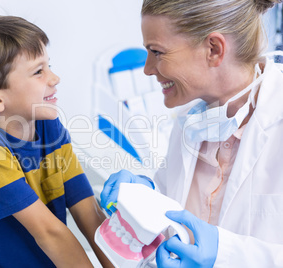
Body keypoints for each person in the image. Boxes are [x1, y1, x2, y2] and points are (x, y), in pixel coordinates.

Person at [100, 0, 283, 267]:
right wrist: (148, 198)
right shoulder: (193, 124)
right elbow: (172, 219)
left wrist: (225, 255)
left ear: (213, 49)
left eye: (157, 52)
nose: (148, 68)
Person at [0, 15, 112, 268]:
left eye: (49, 66)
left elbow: (89, 212)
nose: (54, 78)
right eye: (38, 71)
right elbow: (50, 233)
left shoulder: (49, 127)